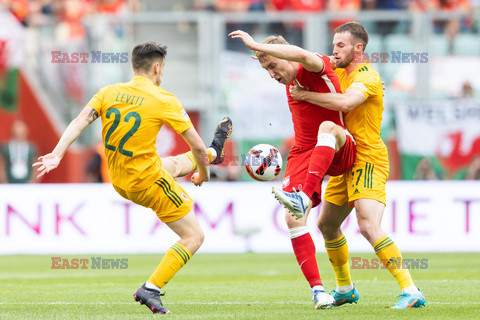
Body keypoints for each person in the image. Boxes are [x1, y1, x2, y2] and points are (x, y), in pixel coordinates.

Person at [33, 42, 233, 314]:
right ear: (156, 67)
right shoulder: (164, 99)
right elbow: (195, 146)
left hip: (120, 181)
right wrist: (204, 175)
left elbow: (80, 120)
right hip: (147, 184)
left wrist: (57, 154)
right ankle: (151, 288)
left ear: (133, 65)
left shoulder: (109, 91)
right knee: (194, 236)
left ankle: (215, 150)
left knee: (172, 164)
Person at [288, 21, 426, 309]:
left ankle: (410, 289)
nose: (334, 50)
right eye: (334, 44)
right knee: (326, 224)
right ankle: (346, 288)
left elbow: (346, 103)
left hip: (368, 157)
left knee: (367, 224)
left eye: (341, 45)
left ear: (358, 48)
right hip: (344, 157)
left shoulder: (368, 75)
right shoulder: (339, 71)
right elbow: (309, 62)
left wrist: (303, 95)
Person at [229, 30, 356, 309]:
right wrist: (266, 54)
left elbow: (300, 55)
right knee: (292, 219)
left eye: (273, 65)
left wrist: (255, 44)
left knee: (326, 128)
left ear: (283, 56)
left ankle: (305, 195)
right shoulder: (290, 83)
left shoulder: (313, 66)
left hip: (340, 144)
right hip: (304, 152)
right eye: (266, 70)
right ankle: (319, 291)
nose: (272, 74)